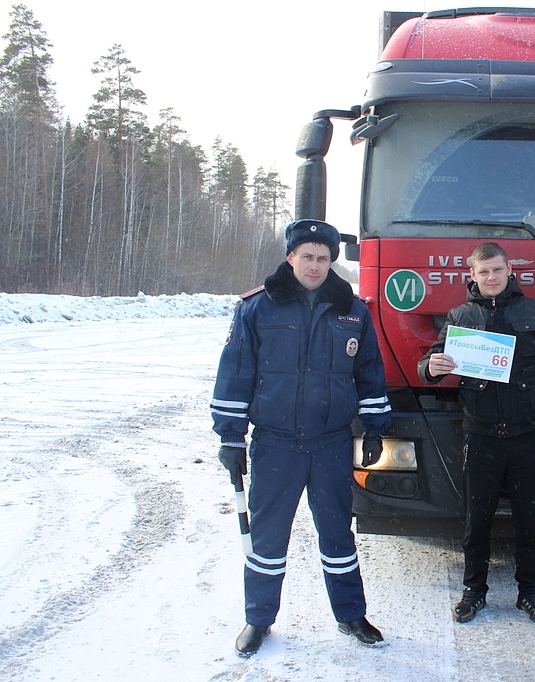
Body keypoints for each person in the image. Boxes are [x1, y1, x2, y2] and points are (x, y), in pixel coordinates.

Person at [211, 219, 392, 656]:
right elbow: (235, 372)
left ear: (332, 262)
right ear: (290, 257)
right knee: (268, 538)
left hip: (330, 442)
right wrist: (231, 438)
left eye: (323, 258)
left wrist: (374, 426)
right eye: (307, 256)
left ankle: (350, 614)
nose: (315, 265)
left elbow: (369, 371)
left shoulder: (353, 310)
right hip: (276, 444)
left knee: (338, 535)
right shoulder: (256, 308)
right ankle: (258, 619)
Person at [417, 241, 535, 626]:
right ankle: (474, 591)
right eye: (483, 272)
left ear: (509, 270)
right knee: (477, 519)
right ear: (472, 275)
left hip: (526, 435)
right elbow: (431, 362)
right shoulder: (461, 316)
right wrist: (430, 367)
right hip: (480, 435)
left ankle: (530, 593)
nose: (491, 277)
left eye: (497, 270)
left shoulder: (534, 312)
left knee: (529, 520)